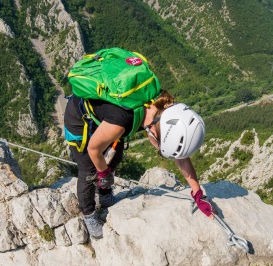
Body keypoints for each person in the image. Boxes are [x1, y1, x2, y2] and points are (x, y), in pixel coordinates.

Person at [64, 89, 212, 239]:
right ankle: (88, 215)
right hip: (79, 118)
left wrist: (198, 194)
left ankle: (104, 194)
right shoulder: (121, 121)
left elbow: (180, 156)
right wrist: (103, 173)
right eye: (161, 149)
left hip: (109, 118)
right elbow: (93, 149)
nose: (159, 150)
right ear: (154, 131)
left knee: (115, 154)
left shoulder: (165, 107)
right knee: (89, 171)